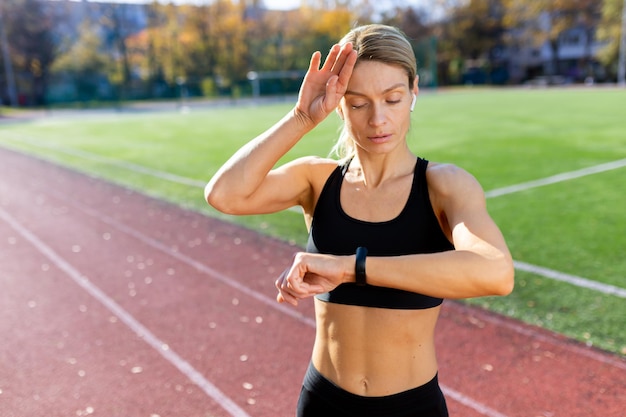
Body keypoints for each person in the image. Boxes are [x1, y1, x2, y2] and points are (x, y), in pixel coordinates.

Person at [205, 24, 514, 417]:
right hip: (324, 401)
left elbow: (496, 273)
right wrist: (301, 117)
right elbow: (224, 195)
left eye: (393, 98)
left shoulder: (443, 185)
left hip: (411, 407)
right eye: (357, 103)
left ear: (414, 92)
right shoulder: (316, 180)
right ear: (338, 104)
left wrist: (349, 268)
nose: (377, 119)